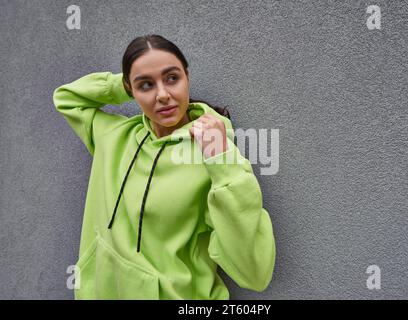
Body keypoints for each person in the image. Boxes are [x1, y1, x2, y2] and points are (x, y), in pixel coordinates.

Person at [52, 34, 276, 300]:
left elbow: (255, 273)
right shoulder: (113, 137)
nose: (162, 95)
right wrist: (123, 84)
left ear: (187, 77)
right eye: (146, 85)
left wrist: (223, 160)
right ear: (130, 89)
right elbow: (66, 98)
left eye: (172, 78)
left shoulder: (214, 158)